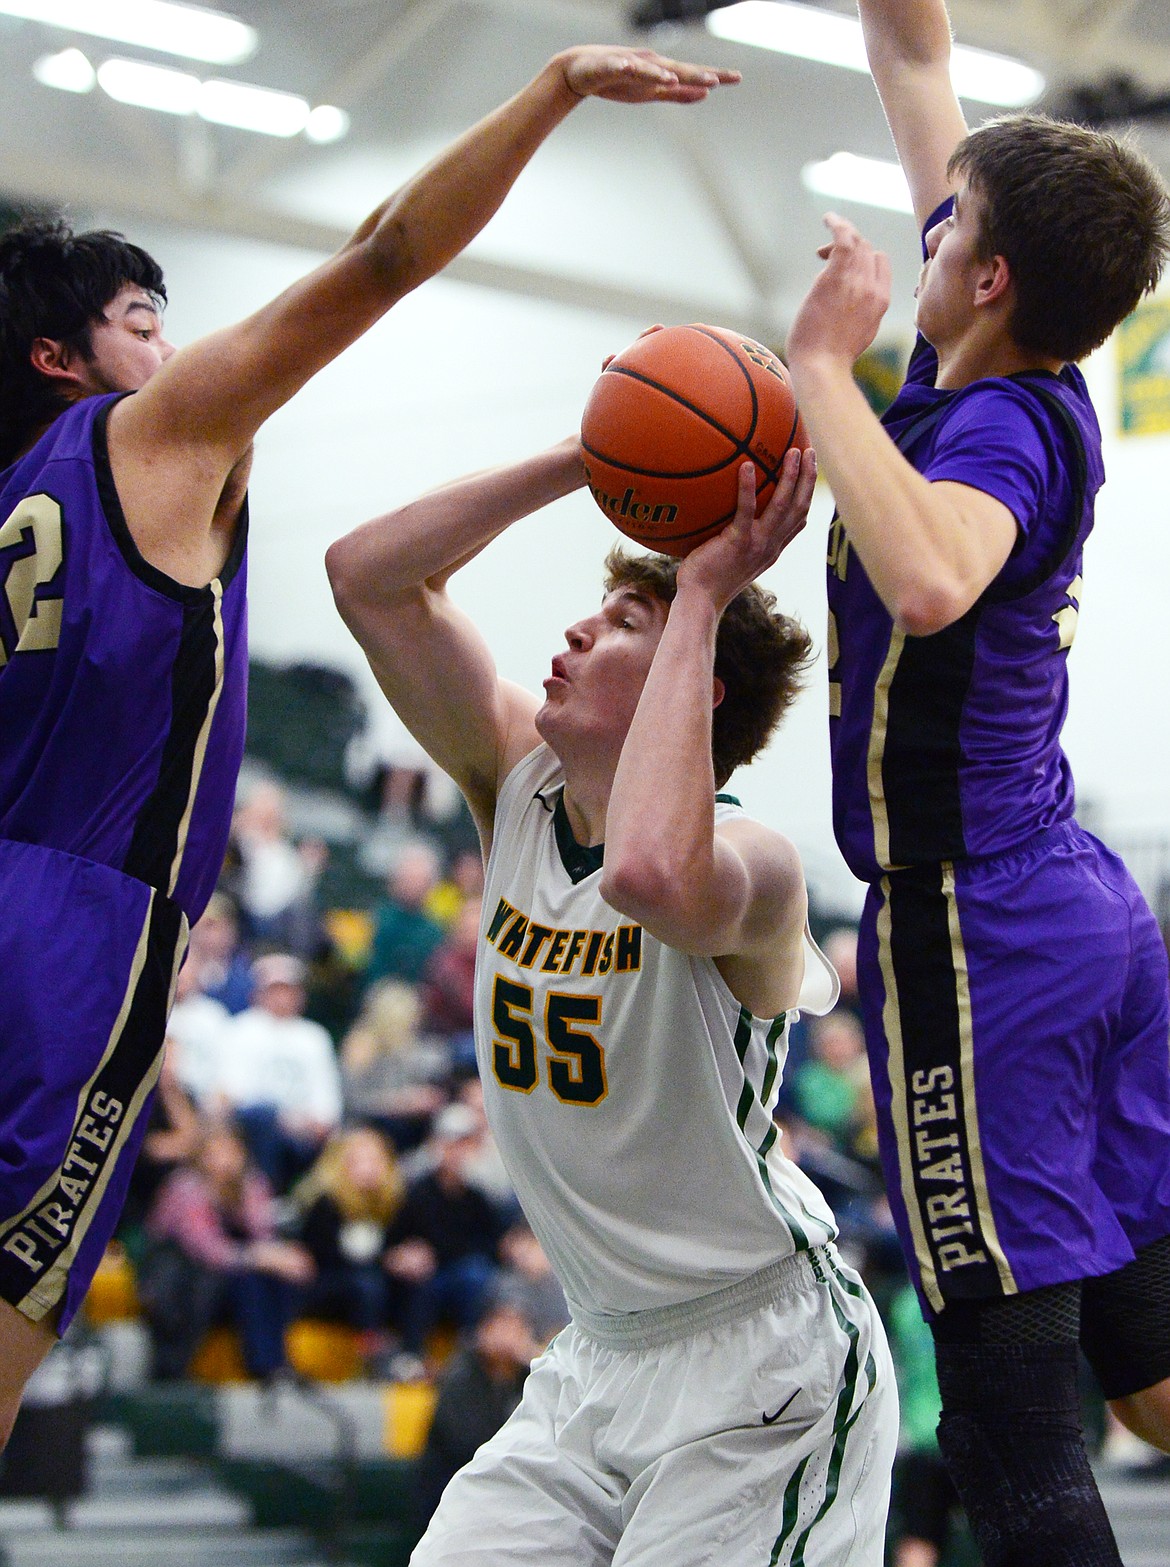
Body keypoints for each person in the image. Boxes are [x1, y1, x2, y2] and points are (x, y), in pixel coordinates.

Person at [0, 43, 739, 1445]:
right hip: (73, 937)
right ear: (61, 357)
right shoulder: (145, 437)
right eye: (143, 317)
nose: (172, 346)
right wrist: (553, 89)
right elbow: (386, 251)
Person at [325, 429, 897, 1563]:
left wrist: (700, 593)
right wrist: (595, 460)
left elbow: (649, 875)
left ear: (696, 682)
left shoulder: (757, 865)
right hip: (596, 1356)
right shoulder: (517, 782)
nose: (579, 629)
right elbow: (366, 575)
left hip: (762, 1367)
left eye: (624, 624)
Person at [783, 2, 1170, 1561]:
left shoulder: (1001, 425)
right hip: (1073, 902)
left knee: (1011, 1425)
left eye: (948, 228)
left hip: (977, 938)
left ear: (984, 275)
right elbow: (914, 57)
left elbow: (934, 578)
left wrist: (819, 362)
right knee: (1150, 1383)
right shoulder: (1020, 344)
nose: (924, 229)